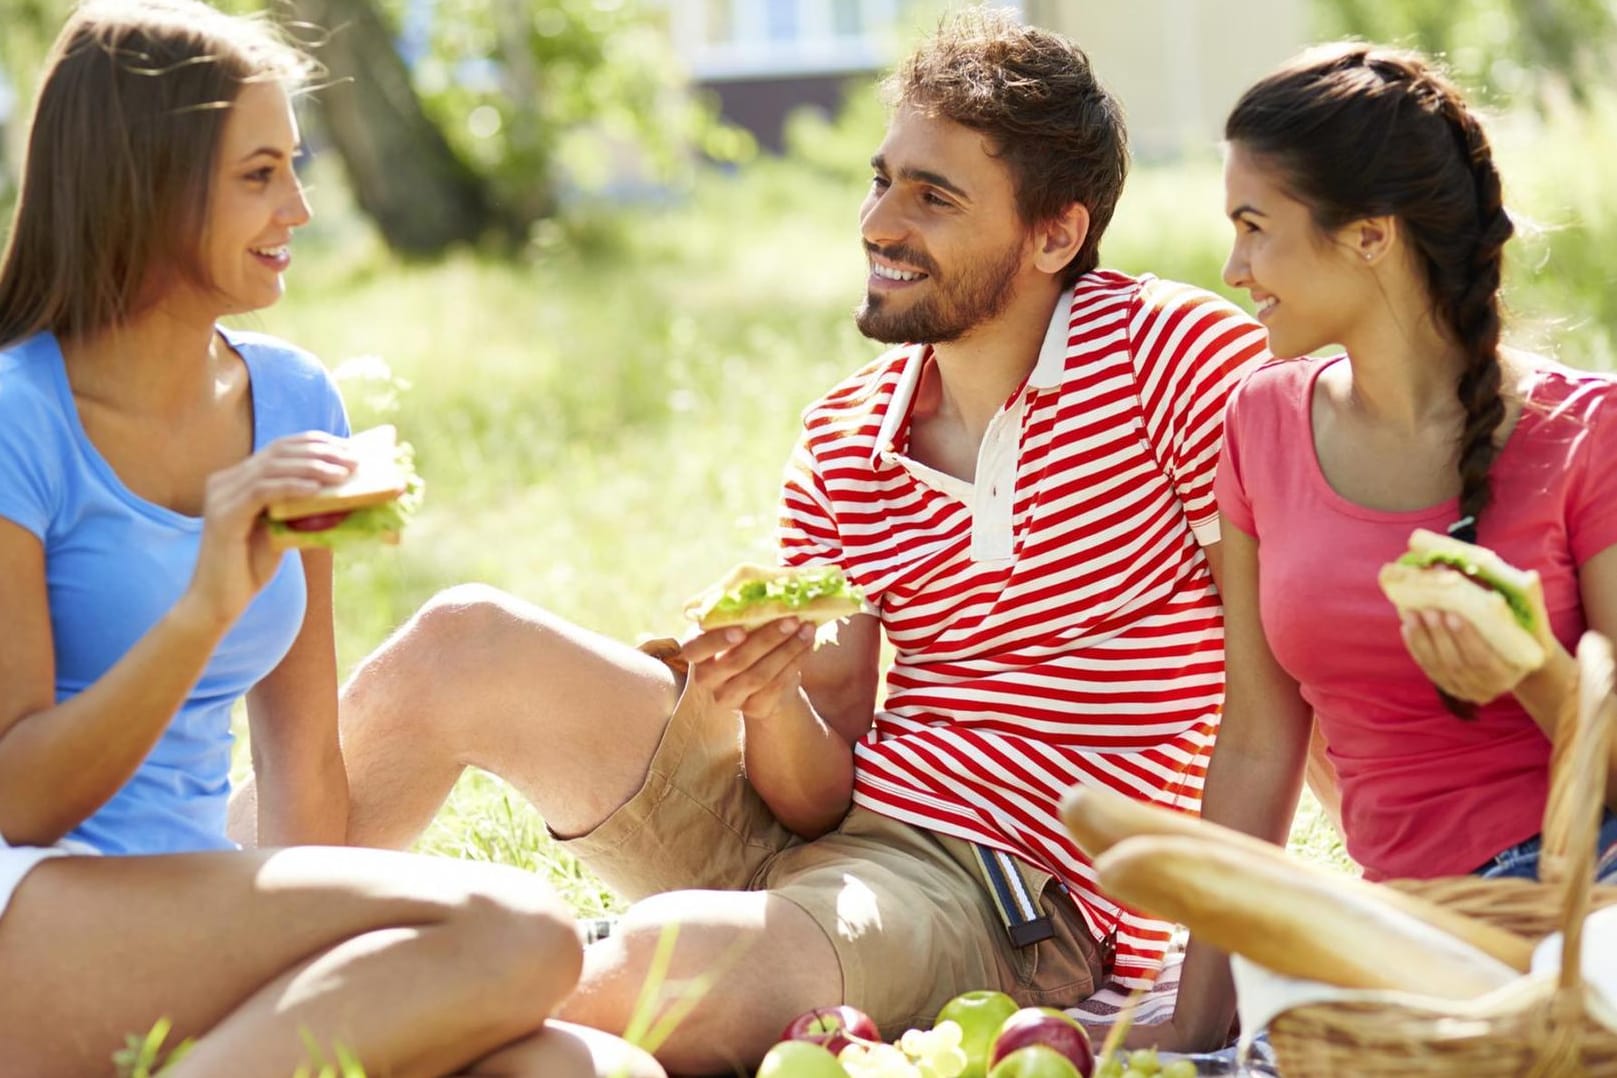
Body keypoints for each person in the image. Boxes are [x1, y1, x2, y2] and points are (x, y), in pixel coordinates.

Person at [331, 9, 1271, 1071]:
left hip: (1009, 897)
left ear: (1055, 233)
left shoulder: (1171, 359)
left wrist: (1230, 983)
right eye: (882, 180)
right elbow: (814, 789)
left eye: (933, 196)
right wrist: (768, 692)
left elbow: (1293, 664)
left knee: (652, 972)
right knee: (466, 639)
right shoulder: (846, 436)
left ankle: (290, 1038)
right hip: (826, 840)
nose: (879, 222)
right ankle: (192, 920)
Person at [0, 3, 661, 1074]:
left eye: (296, 167)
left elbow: (300, 759)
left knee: (595, 1069)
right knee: (523, 931)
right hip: (37, 910)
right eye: (260, 174)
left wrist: (309, 982)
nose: (301, 207)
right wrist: (205, 603)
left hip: (205, 908)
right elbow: (22, 798)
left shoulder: (292, 398)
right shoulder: (17, 415)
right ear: (147, 179)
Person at [1134, 43, 1617, 1052]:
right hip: (1405, 925)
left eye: (1255, 229)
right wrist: (1195, 1032)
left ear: (1369, 236)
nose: (1233, 270)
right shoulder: (1258, 424)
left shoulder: (1588, 435)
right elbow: (1259, 744)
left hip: (1586, 900)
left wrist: (1531, 674)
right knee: (1300, 1001)